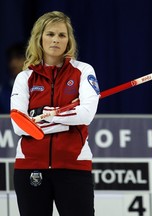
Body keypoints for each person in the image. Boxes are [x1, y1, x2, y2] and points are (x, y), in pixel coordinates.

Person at [10, 11, 100, 216]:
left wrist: (46, 115)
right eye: (50, 34)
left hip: (74, 165)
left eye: (62, 35)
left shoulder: (83, 71)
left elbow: (86, 114)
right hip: (30, 166)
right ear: (39, 38)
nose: (56, 40)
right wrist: (67, 118)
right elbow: (19, 125)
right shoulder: (25, 78)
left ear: (69, 40)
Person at [0, 42, 26, 113]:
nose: (13, 63)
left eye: (18, 57)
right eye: (11, 59)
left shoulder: (38, 87)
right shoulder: (2, 90)